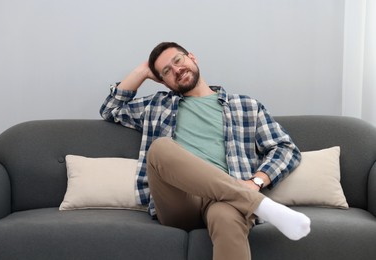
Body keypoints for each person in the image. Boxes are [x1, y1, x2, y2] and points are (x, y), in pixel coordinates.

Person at [100, 42, 311, 260]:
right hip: (178, 200)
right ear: (163, 82)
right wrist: (143, 71)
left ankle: (248, 199)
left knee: (227, 217)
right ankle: (260, 205)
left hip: (224, 200)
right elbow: (110, 109)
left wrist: (255, 182)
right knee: (160, 148)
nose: (176, 69)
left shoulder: (246, 106)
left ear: (192, 57)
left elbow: (286, 148)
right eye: (166, 71)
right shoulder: (156, 105)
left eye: (178, 60)